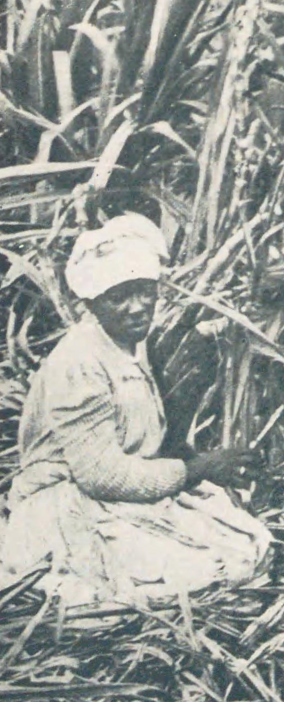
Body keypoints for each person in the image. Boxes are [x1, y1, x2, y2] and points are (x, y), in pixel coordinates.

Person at [0, 216, 270, 606]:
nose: (138, 306)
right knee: (198, 573)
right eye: (119, 297)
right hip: (69, 501)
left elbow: (142, 438)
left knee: (249, 546)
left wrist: (191, 460)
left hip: (123, 495)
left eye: (145, 291)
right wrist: (199, 469)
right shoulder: (79, 362)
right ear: (91, 303)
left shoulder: (131, 345)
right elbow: (101, 475)